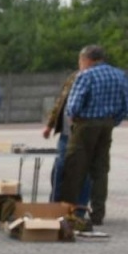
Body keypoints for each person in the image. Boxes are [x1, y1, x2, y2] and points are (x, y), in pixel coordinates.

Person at [58, 44, 128, 227]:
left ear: (87, 59)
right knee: (100, 170)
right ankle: (97, 215)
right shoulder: (119, 74)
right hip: (107, 124)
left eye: (80, 61)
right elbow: (125, 102)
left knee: (75, 167)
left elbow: (74, 104)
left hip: (85, 125)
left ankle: (69, 212)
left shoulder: (86, 75)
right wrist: (114, 120)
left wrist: (73, 119)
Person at [42, 70, 91, 206]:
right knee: (59, 167)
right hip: (65, 133)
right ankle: (55, 204)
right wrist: (50, 125)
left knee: (83, 171)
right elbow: (60, 102)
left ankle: (80, 207)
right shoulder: (73, 77)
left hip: (84, 134)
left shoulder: (96, 79)